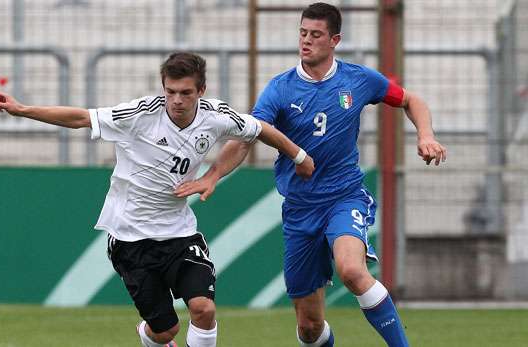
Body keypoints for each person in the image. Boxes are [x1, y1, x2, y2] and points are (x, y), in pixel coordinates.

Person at [0, 52, 314, 347]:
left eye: (185, 93)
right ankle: (149, 334)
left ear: (201, 90)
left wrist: (298, 157)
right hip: (131, 239)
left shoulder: (216, 116)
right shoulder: (141, 113)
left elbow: (258, 131)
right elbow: (80, 118)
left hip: (179, 233)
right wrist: (22, 110)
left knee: (203, 308)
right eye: (170, 91)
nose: (176, 100)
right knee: (164, 332)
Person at [174, 3, 447, 347]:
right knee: (309, 326)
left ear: (335, 40)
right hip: (300, 209)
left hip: (344, 197)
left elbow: (411, 100)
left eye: (315, 35)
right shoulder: (281, 89)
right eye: (303, 33)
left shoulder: (359, 79)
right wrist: (213, 174)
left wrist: (426, 135)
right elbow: (249, 136)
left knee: (351, 270)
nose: (306, 41)